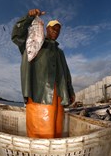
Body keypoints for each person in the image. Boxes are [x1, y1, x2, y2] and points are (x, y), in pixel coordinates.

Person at [11, 9, 75, 138]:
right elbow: (17, 35)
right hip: (39, 95)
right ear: (46, 29)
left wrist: (70, 91)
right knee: (40, 135)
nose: (55, 31)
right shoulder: (34, 42)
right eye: (53, 28)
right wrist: (28, 17)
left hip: (59, 97)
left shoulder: (60, 52)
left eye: (58, 30)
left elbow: (66, 74)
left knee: (57, 132)